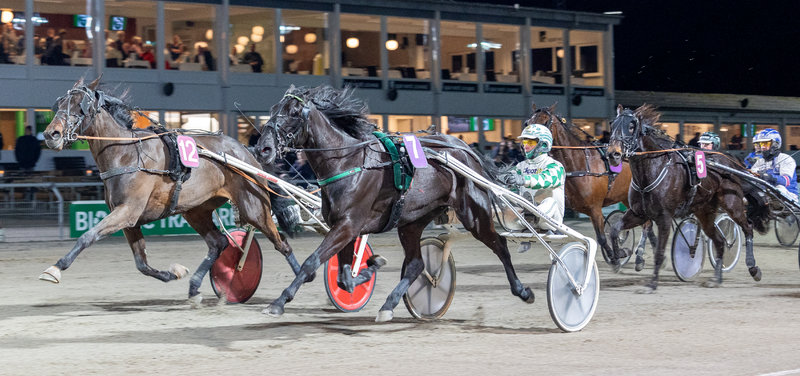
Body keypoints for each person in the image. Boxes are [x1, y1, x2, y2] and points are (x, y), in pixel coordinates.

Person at [500, 123, 566, 234]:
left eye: (530, 142)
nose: (526, 146)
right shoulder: (521, 166)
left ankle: (526, 220)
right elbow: (508, 183)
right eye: (525, 142)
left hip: (550, 220)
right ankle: (525, 221)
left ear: (543, 145)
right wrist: (502, 180)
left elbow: (547, 180)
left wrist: (523, 180)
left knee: (549, 201)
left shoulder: (555, 165)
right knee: (498, 205)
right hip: (525, 213)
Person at [749, 128, 798, 202]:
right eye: (761, 144)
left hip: (788, 197)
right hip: (766, 196)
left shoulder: (786, 158)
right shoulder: (760, 162)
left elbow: (786, 181)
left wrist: (767, 176)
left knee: (779, 188)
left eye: (766, 144)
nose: (763, 147)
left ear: (776, 144)